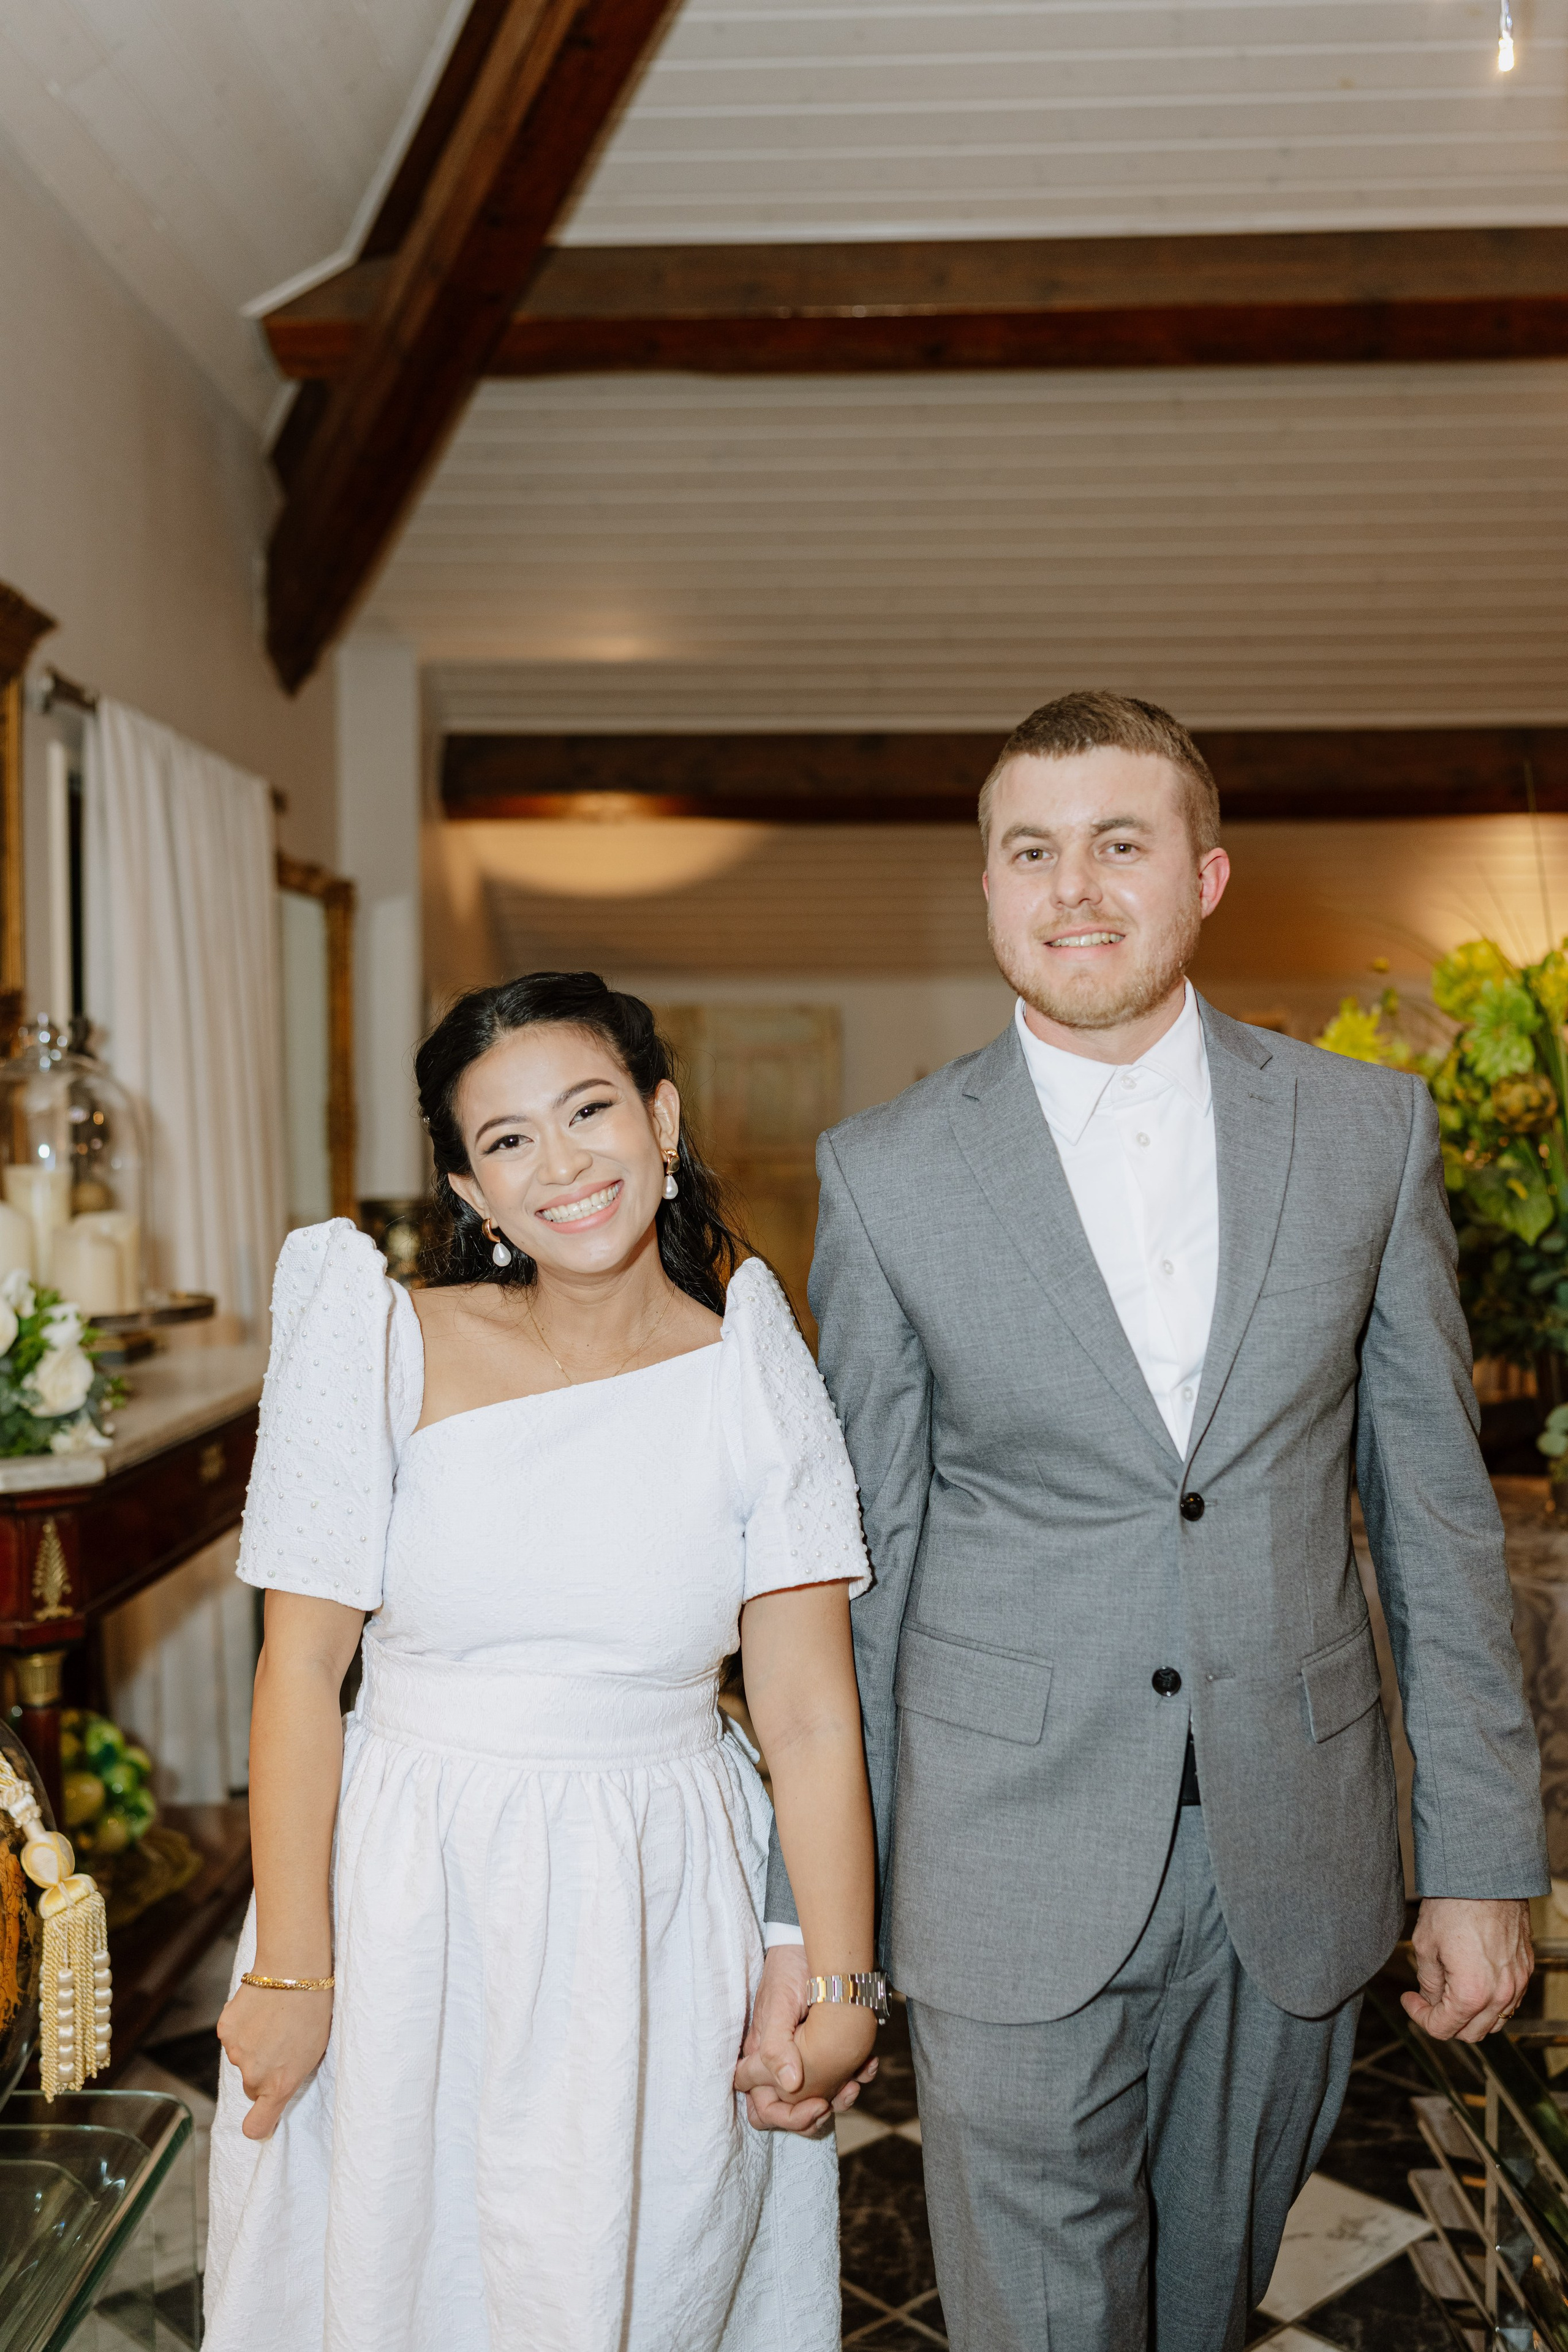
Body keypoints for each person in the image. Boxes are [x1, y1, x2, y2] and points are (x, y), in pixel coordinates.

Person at [748, 692, 1548, 2350]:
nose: (1076, 887)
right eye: (1030, 852)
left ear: (1207, 874)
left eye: (1121, 842)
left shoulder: (1366, 1135)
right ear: (987, 892)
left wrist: (1479, 1857)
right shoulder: (887, 1174)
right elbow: (853, 1576)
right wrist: (811, 1927)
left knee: (1203, 2310)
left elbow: (1433, 1513)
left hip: (1301, 1852)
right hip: (997, 1857)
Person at [203, 972, 882, 2352]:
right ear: (467, 1187)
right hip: (404, 1890)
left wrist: (842, 1988)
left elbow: (809, 1718)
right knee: (393, 2274)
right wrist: (291, 1970)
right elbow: (297, 1676)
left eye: (589, 1111)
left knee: (631, 2277)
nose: (562, 1165)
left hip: (658, 1901)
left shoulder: (753, 1366)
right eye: (508, 1140)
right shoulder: (381, 1341)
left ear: (661, 1117)